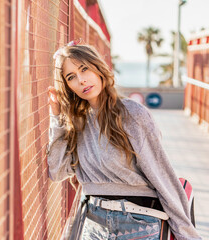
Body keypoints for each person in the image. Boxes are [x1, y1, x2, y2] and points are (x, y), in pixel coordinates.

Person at [47, 39, 201, 240]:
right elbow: (57, 171)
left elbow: (162, 175)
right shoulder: (76, 123)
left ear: (98, 68)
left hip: (139, 223)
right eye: (71, 77)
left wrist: (186, 234)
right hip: (94, 224)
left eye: (84, 69)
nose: (82, 80)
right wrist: (57, 117)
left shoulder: (132, 114)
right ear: (67, 87)